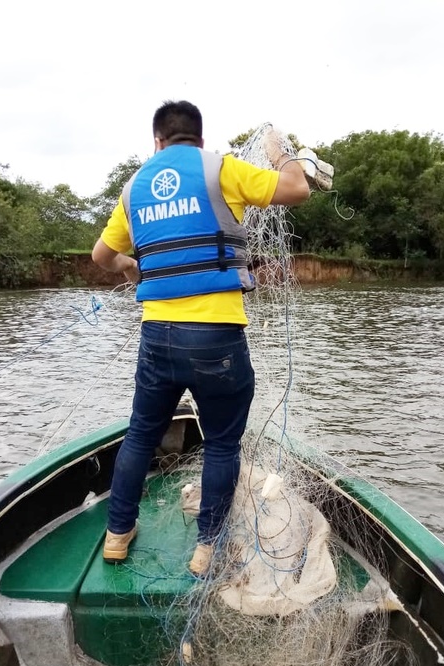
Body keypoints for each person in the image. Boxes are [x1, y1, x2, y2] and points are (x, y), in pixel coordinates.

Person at [92, 100, 310, 576]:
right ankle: (207, 547)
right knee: (222, 444)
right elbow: (297, 188)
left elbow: (101, 255)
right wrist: (279, 152)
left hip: (157, 338)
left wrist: (131, 265)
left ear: (157, 142)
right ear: (201, 139)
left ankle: (116, 534)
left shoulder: (134, 188)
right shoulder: (221, 170)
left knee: (140, 436)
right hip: (216, 338)